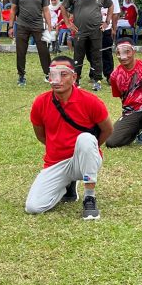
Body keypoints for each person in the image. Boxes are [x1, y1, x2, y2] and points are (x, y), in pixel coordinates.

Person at [25, 56, 112, 220]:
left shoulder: (90, 101)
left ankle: (89, 197)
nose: (57, 80)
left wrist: (90, 149)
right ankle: (66, 186)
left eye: (63, 74)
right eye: (52, 74)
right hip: (55, 162)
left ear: (74, 77)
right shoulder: (40, 102)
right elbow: (41, 135)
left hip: (82, 159)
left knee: (86, 139)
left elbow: (107, 129)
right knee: (33, 207)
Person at [60, 0, 106, 92]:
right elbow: (63, 6)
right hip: (80, 30)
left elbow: (111, 5)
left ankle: (97, 81)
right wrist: (67, 23)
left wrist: (107, 22)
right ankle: (76, 80)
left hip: (96, 30)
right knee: (78, 56)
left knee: (96, 56)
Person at [12, 0, 52, 87]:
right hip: (22, 25)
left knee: (44, 51)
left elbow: (46, 10)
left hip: (38, 25)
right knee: (21, 51)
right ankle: (21, 76)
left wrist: (49, 26)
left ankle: (48, 74)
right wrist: (10, 26)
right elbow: (13, 9)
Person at [97, 0, 121, 81]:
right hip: (92, 28)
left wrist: (114, 29)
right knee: (92, 52)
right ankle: (94, 74)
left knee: (106, 52)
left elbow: (115, 14)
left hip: (107, 28)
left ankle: (109, 75)